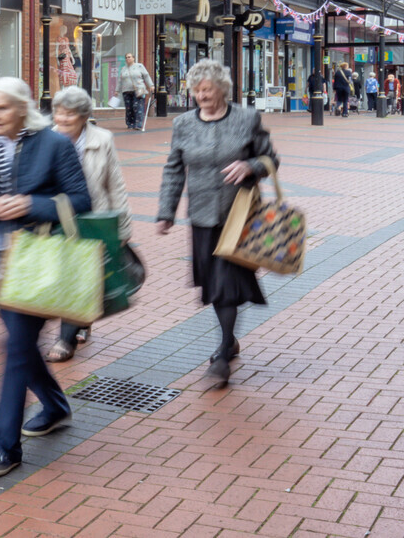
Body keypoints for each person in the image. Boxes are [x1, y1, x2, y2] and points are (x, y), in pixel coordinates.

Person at [0, 78, 90, 480]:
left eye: (2, 107)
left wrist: (30, 204)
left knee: (17, 348)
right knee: (21, 347)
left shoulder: (54, 144)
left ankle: (4, 446)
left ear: (22, 108)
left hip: (38, 264)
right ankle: (55, 406)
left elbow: (80, 199)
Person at [156, 59, 279, 384]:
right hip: (202, 216)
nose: (201, 96)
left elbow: (271, 159)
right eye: (196, 90)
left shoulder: (246, 118)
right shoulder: (183, 123)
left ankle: (223, 353)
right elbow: (173, 168)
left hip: (239, 215)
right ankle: (230, 340)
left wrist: (251, 166)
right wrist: (165, 212)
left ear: (221, 88)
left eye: (207, 89)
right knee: (213, 284)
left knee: (225, 285)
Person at [46, 86, 129, 363]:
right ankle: (80, 320)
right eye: (59, 112)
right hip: (61, 217)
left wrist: (123, 228)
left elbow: (115, 184)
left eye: (69, 113)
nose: (63, 118)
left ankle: (65, 338)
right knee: (67, 276)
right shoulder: (48, 139)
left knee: (80, 275)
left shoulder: (102, 139)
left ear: (83, 116)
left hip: (94, 218)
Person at [117, 53, 151, 131]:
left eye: (129, 57)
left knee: (137, 106)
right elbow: (120, 80)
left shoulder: (139, 66)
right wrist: (117, 90)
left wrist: (151, 85)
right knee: (129, 108)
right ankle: (130, 123)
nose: (127, 59)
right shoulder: (123, 69)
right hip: (126, 90)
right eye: (126, 57)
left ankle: (138, 124)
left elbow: (146, 76)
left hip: (139, 89)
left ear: (133, 58)